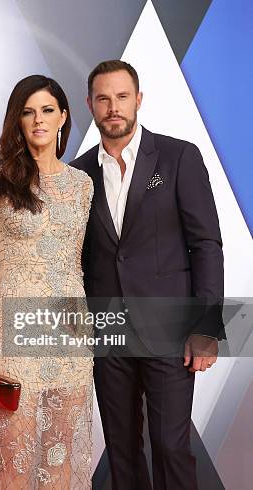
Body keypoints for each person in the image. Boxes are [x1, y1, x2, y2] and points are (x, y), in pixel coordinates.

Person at [70, 60, 223, 490]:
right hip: (108, 333)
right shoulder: (78, 175)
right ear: (90, 105)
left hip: (170, 332)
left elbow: (206, 244)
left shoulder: (178, 156)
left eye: (121, 97)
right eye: (103, 99)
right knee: (122, 451)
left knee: (171, 446)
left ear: (138, 100)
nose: (113, 107)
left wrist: (206, 324)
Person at [0, 75, 94, 489]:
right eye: (27, 112)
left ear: (63, 117)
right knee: (15, 454)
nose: (37, 120)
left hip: (70, 334)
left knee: (59, 454)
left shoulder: (82, 185)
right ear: (17, 121)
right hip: (15, 333)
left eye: (46, 110)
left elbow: (75, 264)